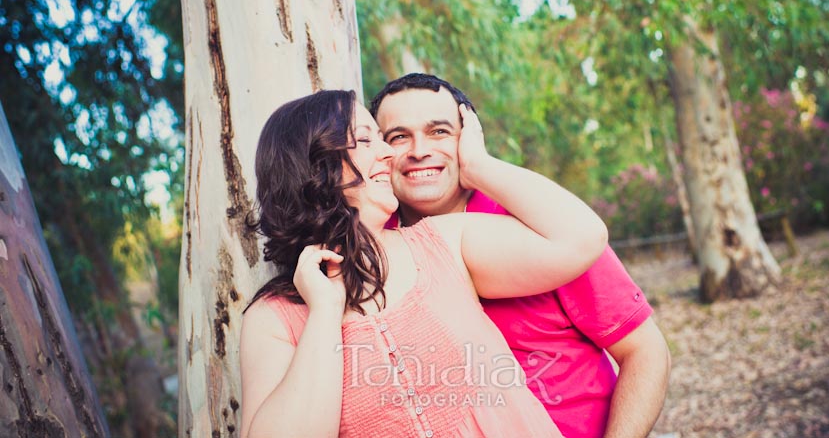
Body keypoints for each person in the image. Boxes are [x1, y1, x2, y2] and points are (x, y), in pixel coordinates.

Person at [239, 89, 609, 438]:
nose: (389, 153)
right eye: (367, 140)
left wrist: (478, 166)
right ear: (314, 166)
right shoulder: (274, 317)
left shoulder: (443, 243)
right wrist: (323, 312)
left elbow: (581, 238)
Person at [370, 73, 671, 438]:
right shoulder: (375, 244)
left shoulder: (546, 226)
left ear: (469, 137)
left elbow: (645, 350)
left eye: (439, 132)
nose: (419, 150)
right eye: (399, 137)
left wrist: (478, 167)